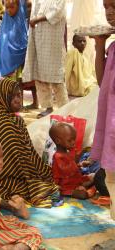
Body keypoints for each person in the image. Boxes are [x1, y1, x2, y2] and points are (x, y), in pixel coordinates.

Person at [0, 78, 59, 208]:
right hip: (1, 177)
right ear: (2, 97)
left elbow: (27, 151)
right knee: (43, 185)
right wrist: (41, 173)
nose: (18, 99)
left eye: (19, 95)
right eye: (13, 96)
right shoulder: (6, 124)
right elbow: (22, 159)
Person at [90, 0, 115, 220]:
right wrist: (99, 46)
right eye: (106, 7)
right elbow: (102, 81)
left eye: (114, 7)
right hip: (112, 125)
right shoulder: (112, 48)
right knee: (111, 177)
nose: (109, 13)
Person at [22, 0, 68, 118]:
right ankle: (48, 107)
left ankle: (65, 108)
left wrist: (37, 20)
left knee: (56, 76)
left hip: (52, 41)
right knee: (40, 75)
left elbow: (58, 12)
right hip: (38, 38)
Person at [49, 123, 95, 199]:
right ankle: (87, 190)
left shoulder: (67, 152)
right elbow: (67, 170)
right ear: (58, 141)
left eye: (74, 139)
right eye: (70, 140)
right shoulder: (58, 156)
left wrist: (80, 164)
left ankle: (82, 187)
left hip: (76, 181)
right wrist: (76, 156)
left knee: (94, 176)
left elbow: (73, 166)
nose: (73, 142)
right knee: (82, 195)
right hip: (65, 186)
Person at [0, 0, 29, 77]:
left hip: (20, 61)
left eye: (12, 7)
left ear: (18, 6)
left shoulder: (21, 23)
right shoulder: (5, 24)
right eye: (7, 8)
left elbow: (24, 42)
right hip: (7, 61)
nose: (9, 10)